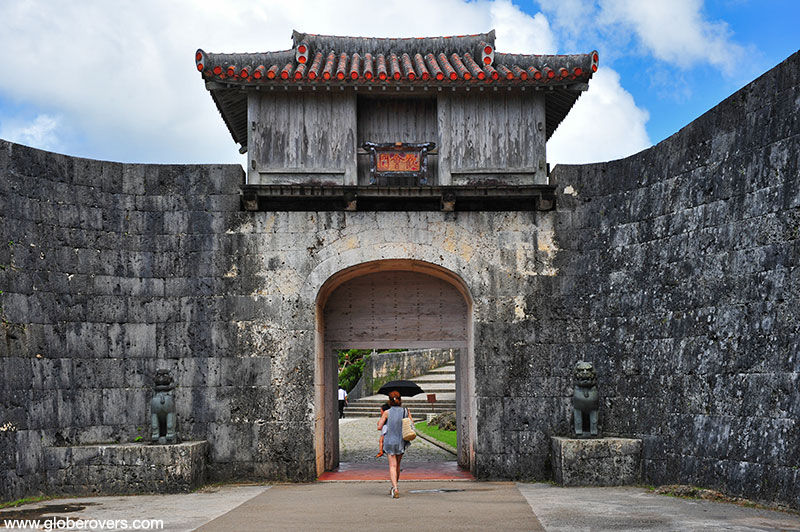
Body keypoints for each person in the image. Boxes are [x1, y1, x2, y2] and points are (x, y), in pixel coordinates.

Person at [377, 390, 412, 498]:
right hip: (401, 441)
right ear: (400, 400)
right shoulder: (406, 411)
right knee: (397, 465)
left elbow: (379, 427)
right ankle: (395, 485)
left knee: (392, 465)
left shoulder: (387, 412)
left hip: (389, 441)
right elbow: (411, 423)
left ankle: (395, 488)